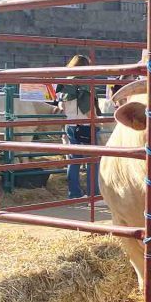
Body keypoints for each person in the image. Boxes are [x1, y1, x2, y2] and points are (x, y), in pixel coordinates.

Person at [56, 54, 99, 199]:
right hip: (86, 125)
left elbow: (61, 106)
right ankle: (93, 194)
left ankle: (74, 193)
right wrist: (98, 120)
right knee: (92, 161)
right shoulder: (85, 85)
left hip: (70, 124)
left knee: (74, 161)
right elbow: (88, 111)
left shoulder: (64, 85)